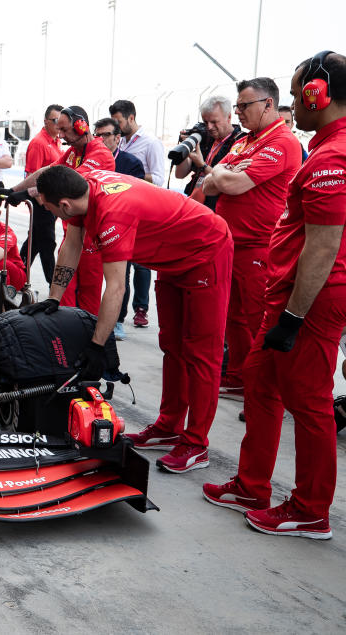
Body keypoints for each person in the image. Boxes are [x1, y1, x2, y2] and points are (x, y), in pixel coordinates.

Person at [203, 52, 346, 539]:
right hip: (285, 293)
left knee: (309, 403)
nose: (292, 103)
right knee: (261, 384)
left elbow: (325, 245)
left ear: (317, 93)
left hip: (310, 301)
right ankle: (252, 484)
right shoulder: (325, 147)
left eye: (296, 91)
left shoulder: (331, 155)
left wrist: (293, 318)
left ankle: (310, 509)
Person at [30, 166, 232, 474]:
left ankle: (196, 443)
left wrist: (97, 346)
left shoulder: (112, 213)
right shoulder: (83, 186)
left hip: (206, 251)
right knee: (172, 346)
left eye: (48, 206)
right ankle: (168, 426)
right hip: (172, 260)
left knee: (202, 353)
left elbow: (116, 287)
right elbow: (72, 245)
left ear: (65, 206)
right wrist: (54, 297)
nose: (47, 211)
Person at [203, 77, 303, 400]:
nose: (239, 112)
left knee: (258, 320)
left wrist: (223, 174)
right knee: (232, 317)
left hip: (261, 246)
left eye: (245, 106)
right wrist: (223, 173)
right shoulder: (244, 142)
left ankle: (264, 388)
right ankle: (239, 375)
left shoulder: (282, 142)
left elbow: (230, 185)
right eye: (237, 106)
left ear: (268, 104)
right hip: (231, 244)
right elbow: (209, 184)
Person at [0, 106, 115, 316]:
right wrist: (15, 190)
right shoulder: (74, 152)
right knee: (62, 295)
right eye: (58, 130)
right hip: (73, 233)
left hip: (93, 239)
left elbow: (68, 185)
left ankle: (87, 340)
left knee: (88, 301)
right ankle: (63, 339)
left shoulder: (100, 155)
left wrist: (28, 194)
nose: (61, 135)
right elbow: (47, 171)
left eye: (64, 130)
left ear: (81, 125)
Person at [109, 99, 166, 328]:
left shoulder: (151, 143)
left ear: (131, 118)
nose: (116, 126)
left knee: (142, 265)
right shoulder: (118, 142)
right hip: (122, 209)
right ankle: (118, 314)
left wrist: (130, 177)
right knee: (122, 263)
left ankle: (140, 309)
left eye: (118, 121)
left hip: (144, 208)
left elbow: (159, 178)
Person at [92, 117, 145, 341]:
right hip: (96, 225)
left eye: (105, 135)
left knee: (121, 276)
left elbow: (136, 195)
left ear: (117, 137)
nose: (101, 139)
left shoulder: (130, 163)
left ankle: (118, 320)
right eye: (97, 135)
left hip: (124, 226)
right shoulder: (90, 161)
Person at [173, 96, 243, 212]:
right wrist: (186, 148)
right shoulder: (205, 138)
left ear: (229, 117)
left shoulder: (240, 142)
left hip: (216, 211)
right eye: (206, 122)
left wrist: (202, 165)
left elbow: (229, 183)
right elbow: (180, 174)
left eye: (214, 122)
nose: (209, 127)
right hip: (193, 205)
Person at [21, 104, 65, 286]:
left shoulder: (57, 141)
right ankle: (53, 286)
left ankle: (16, 274)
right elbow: (31, 176)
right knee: (47, 244)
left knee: (34, 243)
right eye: (55, 121)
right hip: (42, 204)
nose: (59, 124)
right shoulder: (39, 143)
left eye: (61, 121)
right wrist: (44, 204)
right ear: (46, 121)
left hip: (51, 205)